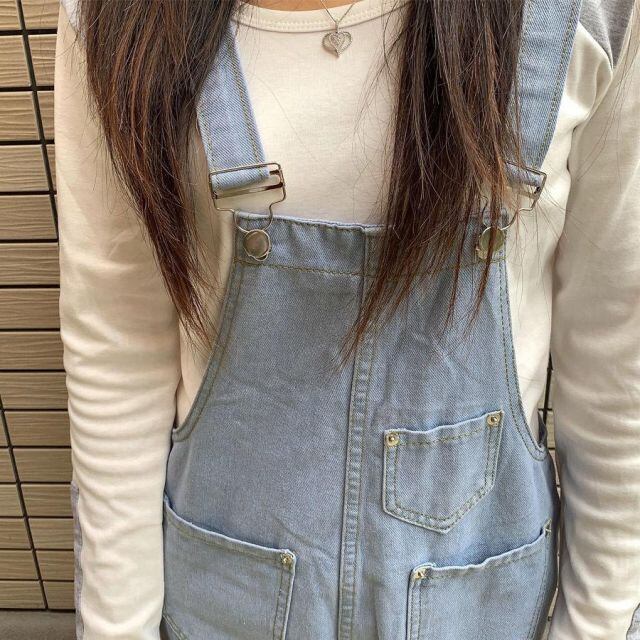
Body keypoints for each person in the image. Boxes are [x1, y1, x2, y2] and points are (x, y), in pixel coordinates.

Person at [55, 0, 640, 638]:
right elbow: (117, 346)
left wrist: (597, 625)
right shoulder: (113, 19)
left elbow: (616, 361)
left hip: (476, 605)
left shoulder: (586, 18)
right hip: (224, 603)